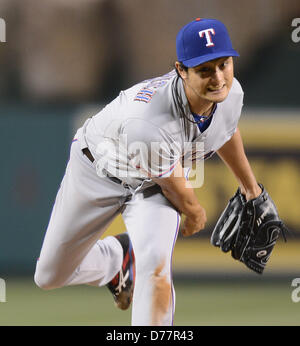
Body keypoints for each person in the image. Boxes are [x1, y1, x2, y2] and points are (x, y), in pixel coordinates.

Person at [34, 18, 262, 326]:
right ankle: (117, 259)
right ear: (180, 70)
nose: (218, 77)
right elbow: (182, 196)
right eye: (205, 70)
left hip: (150, 186)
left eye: (224, 64)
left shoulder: (231, 92)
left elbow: (224, 132)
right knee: (49, 275)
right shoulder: (150, 120)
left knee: (155, 270)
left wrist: (252, 189)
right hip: (97, 170)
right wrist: (195, 216)